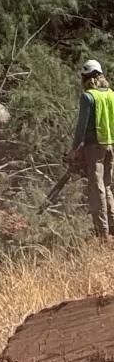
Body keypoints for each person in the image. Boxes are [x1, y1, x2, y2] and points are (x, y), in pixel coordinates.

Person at [70, 59, 114, 237]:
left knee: (97, 189)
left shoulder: (88, 97)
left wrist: (74, 149)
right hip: (110, 146)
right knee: (108, 186)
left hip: (94, 147)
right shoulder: (111, 94)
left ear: (86, 78)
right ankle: (112, 226)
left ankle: (102, 233)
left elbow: (81, 126)